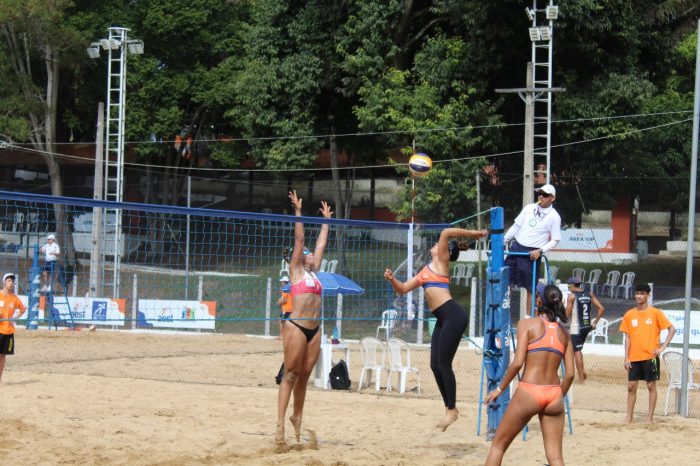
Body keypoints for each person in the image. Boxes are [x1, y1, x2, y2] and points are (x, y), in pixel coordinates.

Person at [384, 227, 488, 431]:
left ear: (445, 252)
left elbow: (448, 231)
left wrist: (474, 234)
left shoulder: (442, 260)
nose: (434, 245)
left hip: (453, 315)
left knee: (444, 364)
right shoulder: (425, 271)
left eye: (437, 245)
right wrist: (391, 279)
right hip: (442, 318)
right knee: (434, 364)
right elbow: (403, 289)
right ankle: (449, 408)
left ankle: (452, 409)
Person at [484, 284, 574, 466]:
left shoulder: (527, 325)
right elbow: (570, 374)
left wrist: (500, 389)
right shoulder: (565, 334)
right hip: (554, 394)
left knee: (498, 446)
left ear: (539, 301)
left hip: (530, 391)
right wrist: (557, 396)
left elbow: (517, 363)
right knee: (556, 458)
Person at [276, 191, 332, 445]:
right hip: (296, 326)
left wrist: (327, 222)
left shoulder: (315, 273)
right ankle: (279, 426)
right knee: (290, 374)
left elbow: (321, 245)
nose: (310, 255)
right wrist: (298, 211)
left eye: (311, 255)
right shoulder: (296, 270)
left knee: (305, 375)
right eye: (306, 254)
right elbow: (300, 240)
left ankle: (297, 417)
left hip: (315, 330)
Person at [619, 283, 675, 425]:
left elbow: (672, 329)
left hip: (651, 357)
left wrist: (662, 347)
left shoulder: (655, 312)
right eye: (637, 293)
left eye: (642, 293)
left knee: (651, 386)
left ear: (648, 295)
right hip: (634, 357)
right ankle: (629, 418)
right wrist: (626, 357)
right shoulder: (629, 314)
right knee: (631, 387)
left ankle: (649, 418)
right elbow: (628, 337)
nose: (639, 296)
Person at [503, 184, 561, 315]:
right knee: (506, 282)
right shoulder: (529, 208)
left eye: (545, 195)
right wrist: (503, 241)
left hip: (532, 254)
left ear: (552, 198)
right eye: (539, 193)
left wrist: (540, 251)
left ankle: (528, 319)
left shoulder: (554, 216)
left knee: (530, 289)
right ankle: (503, 317)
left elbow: (555, 239)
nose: (541, 196)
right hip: (516, 248)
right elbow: (516, 226)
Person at [565, 276, 605, 383]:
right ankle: (582, 373)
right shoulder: (589, 294)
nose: (569, 289)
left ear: (572, 286)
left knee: (577, 352)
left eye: (569, 287)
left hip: (576, 328)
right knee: (578, 350)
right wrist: (595, 322)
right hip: (587, 327)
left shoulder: (571, 297)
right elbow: (602, 309)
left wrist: (561, 307)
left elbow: (566, 315)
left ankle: (581, 379)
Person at [0, 273, 27, 384]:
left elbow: (23, 309)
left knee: (2, 357)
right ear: (4, 282)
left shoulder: (14, 298)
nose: (11, 283)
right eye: (9, 281)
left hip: (8, 331)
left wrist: (15, 318)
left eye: (12, 281)